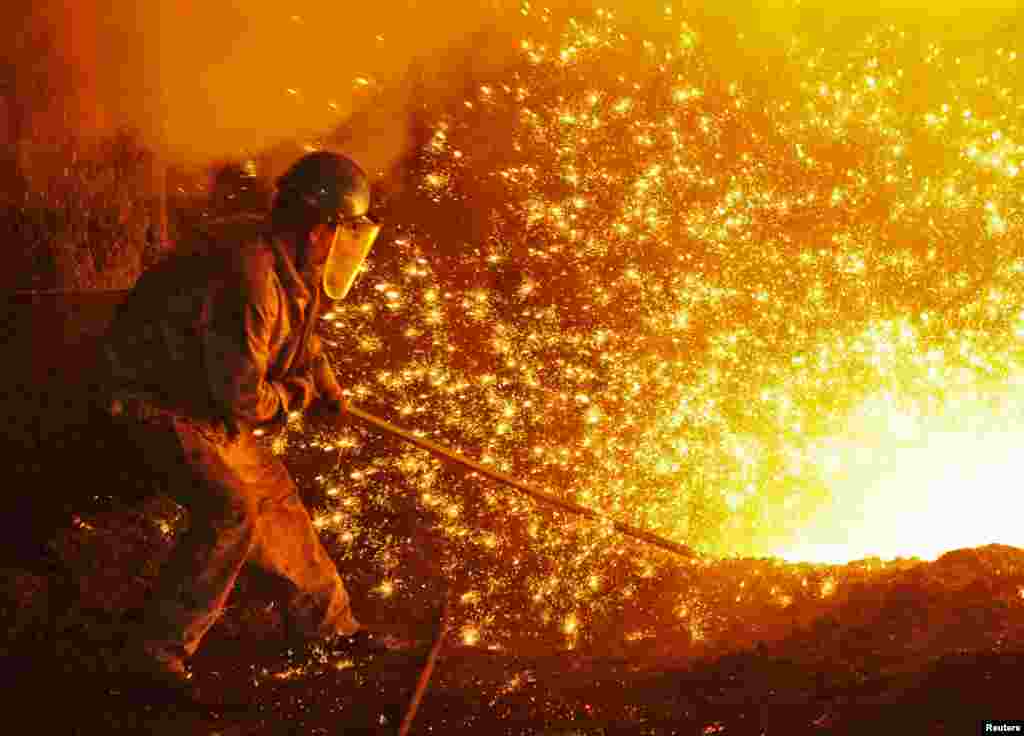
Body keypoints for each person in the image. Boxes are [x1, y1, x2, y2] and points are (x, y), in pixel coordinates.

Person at [99, 151, 384, 695]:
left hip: (201, 407)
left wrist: (325, 382)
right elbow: (244, 400)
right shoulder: (247, 274)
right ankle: (153, 655)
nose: (341, 243)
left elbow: (302, 335)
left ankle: (331, 630)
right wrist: (300, 395)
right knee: (230, 510)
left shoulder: (286, 260)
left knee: (277, 500)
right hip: (149, 404)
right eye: (341, 230)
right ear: (319, 228)